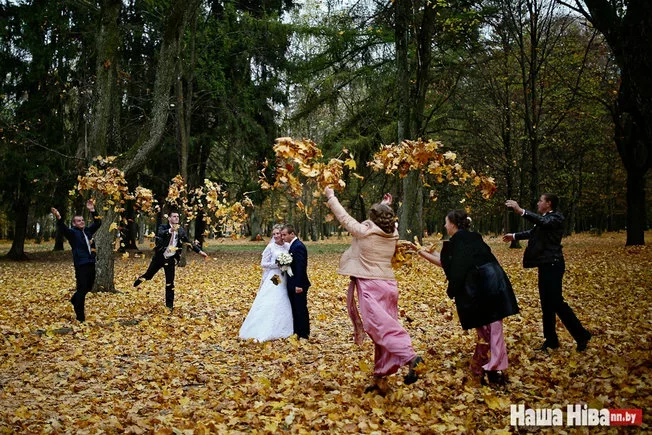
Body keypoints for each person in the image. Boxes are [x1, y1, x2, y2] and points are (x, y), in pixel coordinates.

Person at [324, 187, 423, 394]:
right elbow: (383, 219)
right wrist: (385, 205)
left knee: (381, 329)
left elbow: (344, 217)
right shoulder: (392, 232)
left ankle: (411, 358)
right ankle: (380, 379)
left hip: (371, 285)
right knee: (381, 332)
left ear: (372, 219)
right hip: (389, 285)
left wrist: (331, 197)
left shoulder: (365, 230)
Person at [414, 210, 519, 385]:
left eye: (446, 222)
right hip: (493, 280)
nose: (444, 226)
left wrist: (421, 253)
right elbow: (447, 262)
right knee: (491, 326)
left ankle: (494, 368)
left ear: (453, 224)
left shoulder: (457, 242)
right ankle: (483, 364)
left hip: (482, 284)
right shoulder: (472, 238)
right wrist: (420, 252)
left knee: (488, 327)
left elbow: (447, 264)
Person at [503, 194, 591, 352]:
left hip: (554, 265)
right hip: (545, 265)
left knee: (556, 302)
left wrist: (521, 210)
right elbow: (534, 232)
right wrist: (514, 236)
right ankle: (551, 341)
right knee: (546, 305)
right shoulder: (545, 219)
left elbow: (542, 222)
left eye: (540, 200)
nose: (538, 202)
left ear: (549, 203)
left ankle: (581, 334)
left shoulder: (556, 218)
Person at [133, 210, 208, 310]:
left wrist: (200, 252)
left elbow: (188, 242)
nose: (176, 218)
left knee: (170, 283)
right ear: (169, 218)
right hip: (159, 258)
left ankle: (169, 306)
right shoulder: (163, 227)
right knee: (149, 275)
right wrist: (170, 231)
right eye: (174, 216)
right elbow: (160, 234)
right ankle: (139, 279)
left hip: (171, 259)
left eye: (177, 216)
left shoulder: (181, 230)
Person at [239, 224, 294, 342]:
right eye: (273, 234)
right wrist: (276, 265)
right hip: (274, 276)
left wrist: (286, 264)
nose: (276, 236)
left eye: (278, 233)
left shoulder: (288, 246)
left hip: (285, 276)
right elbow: (263, 264)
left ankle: (284, 326)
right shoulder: (270, 247)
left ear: (282, 234)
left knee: (284, 300)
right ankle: (265, 328)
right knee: (272, 298)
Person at [51, 200, 102, 322]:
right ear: (74, 223)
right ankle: (80, 318)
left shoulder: (88, 231)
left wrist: (92, 210)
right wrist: (59, 217)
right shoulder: (72, 233)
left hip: (91, 262)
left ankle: (75, 300)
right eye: (79, 221)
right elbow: (62, 228)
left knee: (88, 288)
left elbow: (98, 222)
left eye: (83, 220)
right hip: (81, 264)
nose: (82, 222)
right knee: (82, 289)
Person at [280, 224, 311, 339]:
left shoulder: (298, 246)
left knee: (300, 308)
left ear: (292, 234)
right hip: (292, 283)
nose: (283, 237)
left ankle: (303, 333)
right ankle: (297, 331)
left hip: (299, 284)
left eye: (284, 235)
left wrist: (299, 285)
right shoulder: (292, 246)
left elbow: (300, 267)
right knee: (295, 308)